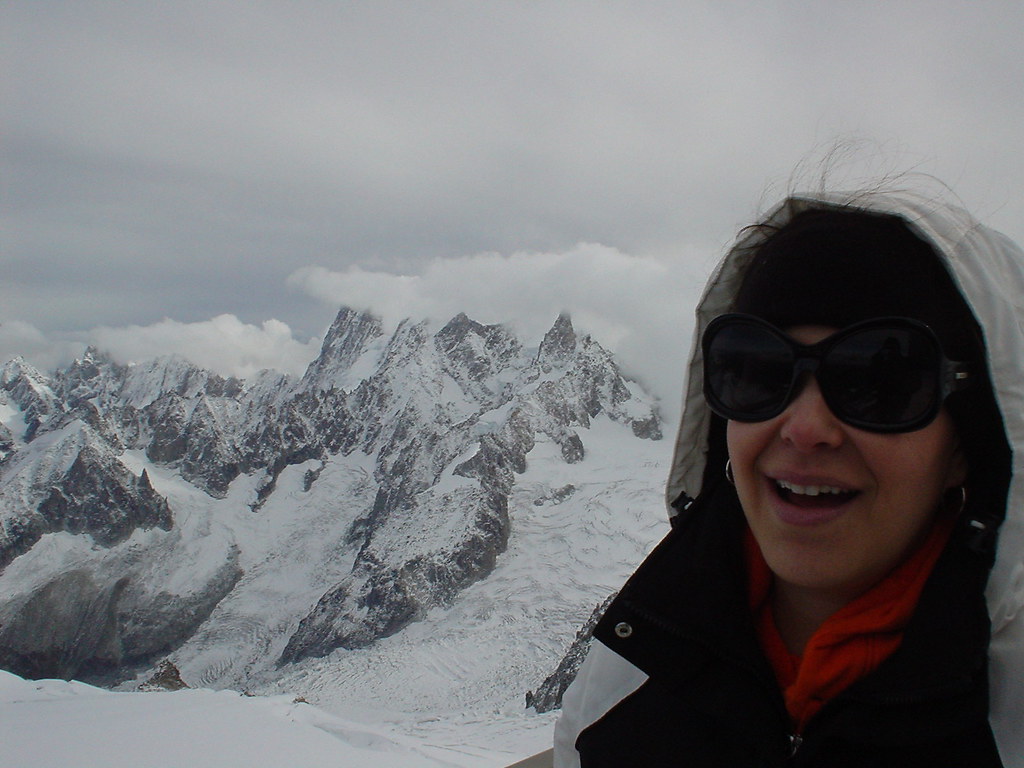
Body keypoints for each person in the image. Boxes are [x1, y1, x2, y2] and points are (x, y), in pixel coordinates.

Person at [554, 187, 1024, 767]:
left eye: (880, 383)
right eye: (758, 369)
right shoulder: (631, 673)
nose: (804, 429)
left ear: (967, 444)